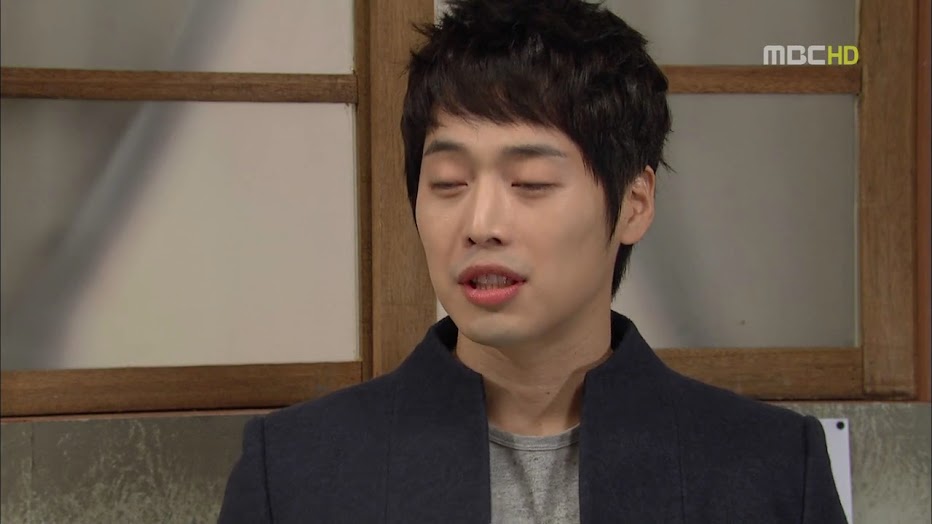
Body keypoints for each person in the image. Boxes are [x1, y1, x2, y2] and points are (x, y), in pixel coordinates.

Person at [218, 1, 848, 522]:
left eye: (531, 183)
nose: (481, 225)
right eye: (448, 182)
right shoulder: (295, 471)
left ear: (634, 204)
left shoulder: (769, 468)